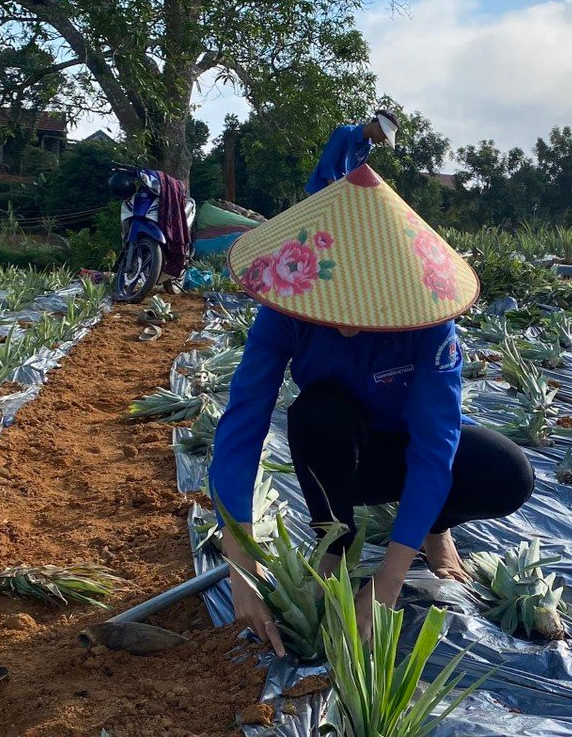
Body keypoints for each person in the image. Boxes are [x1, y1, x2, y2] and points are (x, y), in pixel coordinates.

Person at [210, 164, 534, 651]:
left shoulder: (429, 324)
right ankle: (334, 546)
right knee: (315, 413)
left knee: (509, 474)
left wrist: (388, 580)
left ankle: (433, 527)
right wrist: (241, 566)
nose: (345, 325)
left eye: (362, 307)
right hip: (343, 452)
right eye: (334, 301)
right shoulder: (285, 312)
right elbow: (242, 424)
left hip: (403, 445)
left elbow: (434, 442)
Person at [304, 109, 399, 195]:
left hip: (340, 194)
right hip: (321, 192)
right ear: (378, 127)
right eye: (384, 136)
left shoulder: (366, 146)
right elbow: (327, 166)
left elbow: (355, 174)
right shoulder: (344, 132)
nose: (382, 141)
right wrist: (338, 193)